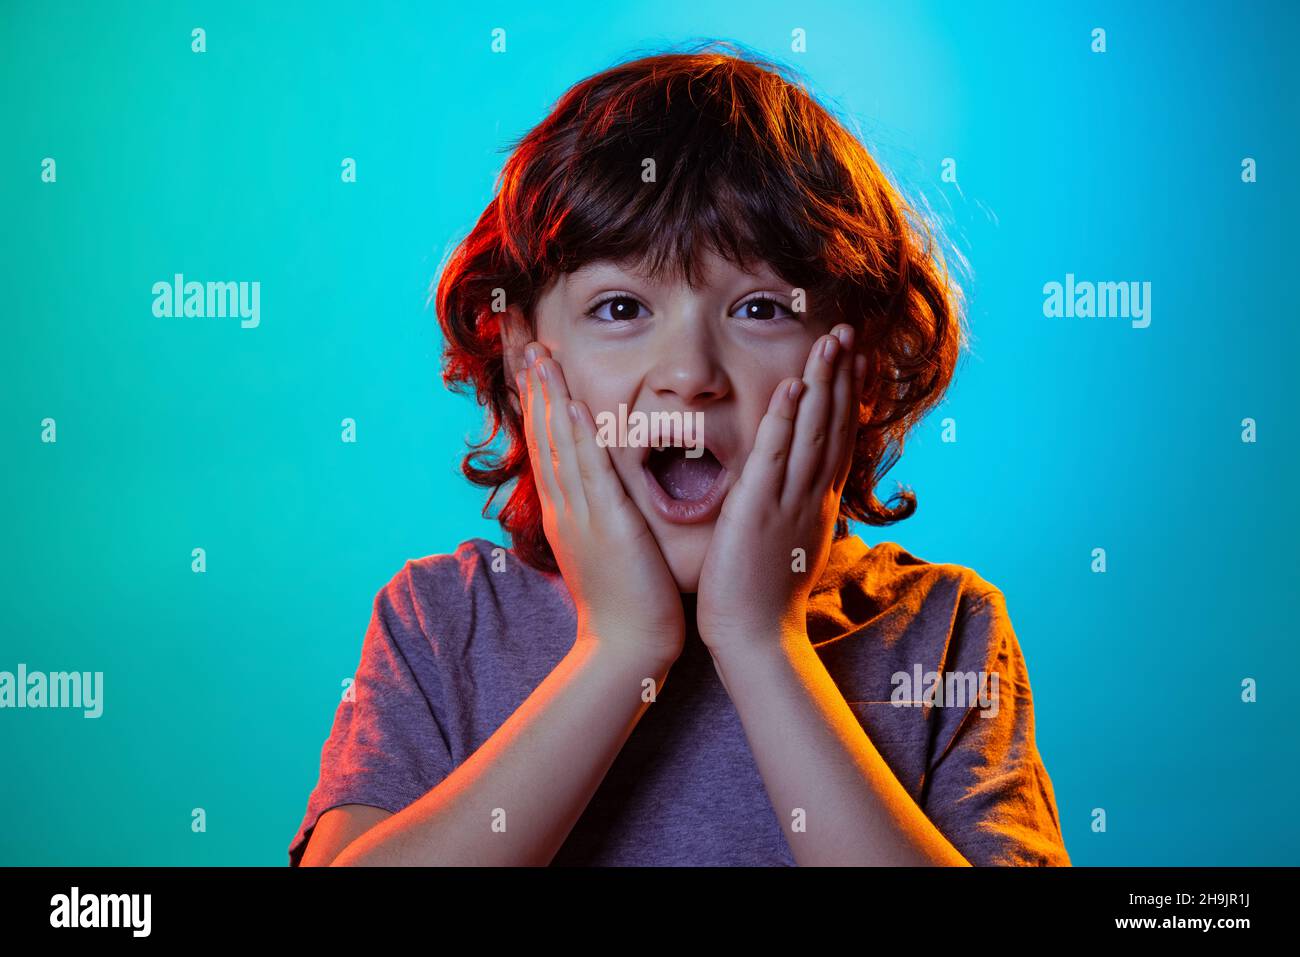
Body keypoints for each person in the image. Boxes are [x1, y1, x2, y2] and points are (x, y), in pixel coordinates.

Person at [288, 41, 1070, 867]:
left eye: (763, 308)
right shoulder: (443, 621)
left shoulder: (941, 630)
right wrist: (617, 649)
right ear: (524, 360)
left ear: (864, 367)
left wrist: (763, 643)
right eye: (621, 306)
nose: (691, 376)